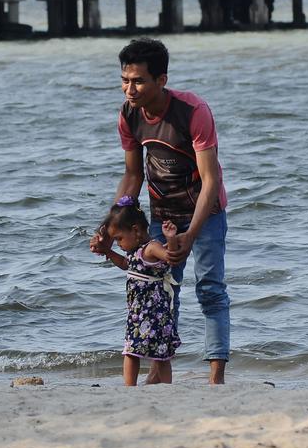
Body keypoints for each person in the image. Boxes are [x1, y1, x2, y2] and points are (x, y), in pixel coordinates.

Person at [90, 38, 231, 384]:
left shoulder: (193, 112)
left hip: (205, 212)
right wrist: (107, 229)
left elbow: (211, 180)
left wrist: (190, 234)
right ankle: (160, 372)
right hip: (162, 214)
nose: (129, 89)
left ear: (161, 80)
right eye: (124, 80)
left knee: (211, 289)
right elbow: (133, 174)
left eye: (138, 81)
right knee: (161, 288)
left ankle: (216, 377)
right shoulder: (128, 115)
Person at [94, 197, 182, 386]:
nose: (117, 243)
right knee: (131, 350)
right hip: (137, 313)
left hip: (156, 313)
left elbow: (170, 258)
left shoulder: (152, 247)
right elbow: (127, 265)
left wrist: (171, 239)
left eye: (119, 239)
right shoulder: (134, 251)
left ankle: (167, 387)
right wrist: (108, 252)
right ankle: (129, 387)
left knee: (161, 354)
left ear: (135, 230)